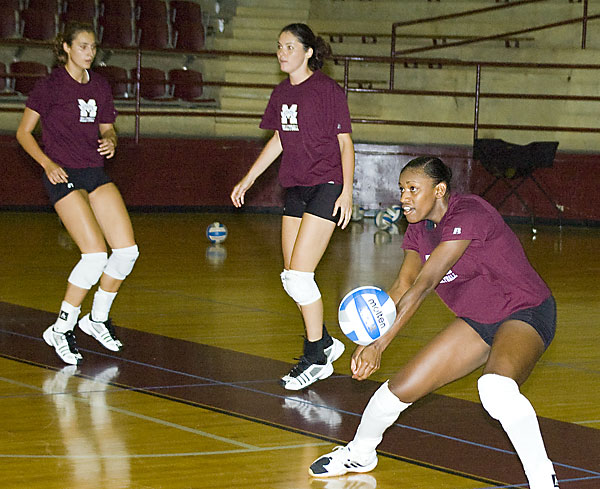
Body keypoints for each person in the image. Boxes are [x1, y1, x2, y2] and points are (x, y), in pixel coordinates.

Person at [309, 157, 559, 489]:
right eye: (401, 189)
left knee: (495, 389)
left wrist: (381, 346)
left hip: (525, 310)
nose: (404, 197)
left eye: (413, 189)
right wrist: (369, 341)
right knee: (395, 391)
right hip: (479, 320)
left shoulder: (469, 213)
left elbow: (424, 284)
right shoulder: (419, 229)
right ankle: (361, 452)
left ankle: (543, 481)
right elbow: (401, 286)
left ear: (439, 190)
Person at [230, 23, 354, 390]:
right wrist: (248, 179)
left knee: (300, 276)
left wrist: (347, 191)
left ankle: (316, 356)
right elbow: (278, 141)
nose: (282, 52)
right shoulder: (281, 93)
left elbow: (345, 143)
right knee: (291, 278)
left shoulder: (327, 90)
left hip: (327, 185)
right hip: (296, 187)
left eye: (289, 46)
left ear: (308, 52)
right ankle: (325, 343)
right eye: (279, 46)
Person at [16, 22, 139, 365]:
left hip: (93, 171)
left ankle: (96, 318)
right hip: (62, 173)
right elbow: (24, 133)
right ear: (66, 48)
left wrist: (111, 139)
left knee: (127, 251)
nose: (90, 52)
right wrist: (46, 163)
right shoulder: (49, 86)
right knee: (95, 255)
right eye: (83, 46)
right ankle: (61, 327)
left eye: (93, 47)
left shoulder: (99, 86)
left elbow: (107, 126)